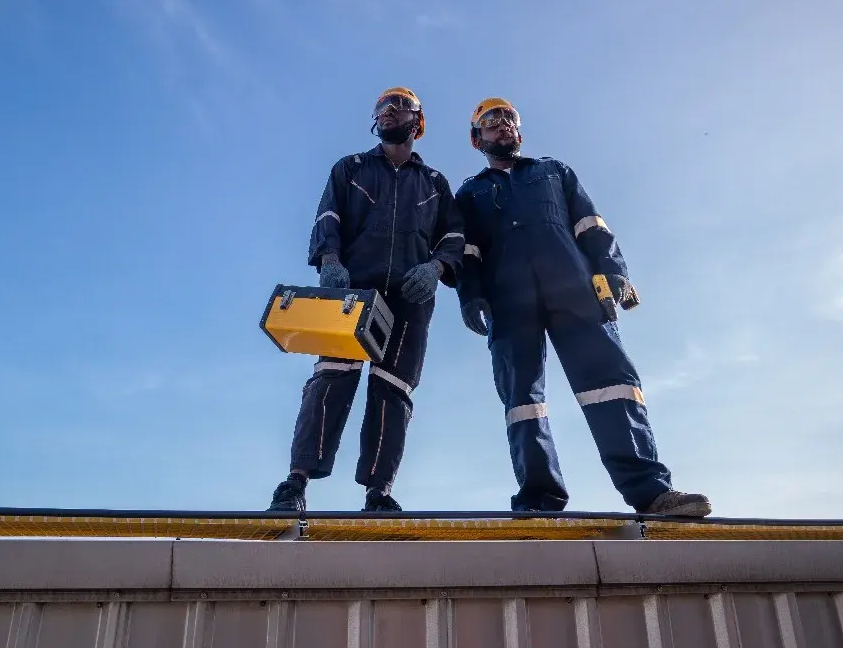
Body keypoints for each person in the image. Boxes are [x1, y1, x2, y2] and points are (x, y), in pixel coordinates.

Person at [453, 97, 711, 516]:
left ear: (518, 131)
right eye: (490, 121)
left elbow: (591, 225)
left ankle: (650, 493)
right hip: (509, 300)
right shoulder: (470, 193)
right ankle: (539, 502)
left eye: (510, 119)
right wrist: (471, 294)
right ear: (475, 137)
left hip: (574, 292)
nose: (502, 126)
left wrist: (614, 272)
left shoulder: (553, 172)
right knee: (523, 401)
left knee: (612, 385)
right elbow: (468, 252)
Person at [267, 87, 465, 513]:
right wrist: (330, 262)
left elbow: (452, 238)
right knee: (331, 380)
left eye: (400, 107)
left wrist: (436, 269)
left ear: (419, 121)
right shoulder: (351, 169)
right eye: (383, 108)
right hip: (351, 293)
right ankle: (295, 484)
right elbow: (328, 216)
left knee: (393, 390)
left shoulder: (434, 183)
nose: (390, 112)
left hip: (410, 300)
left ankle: (378, 493)